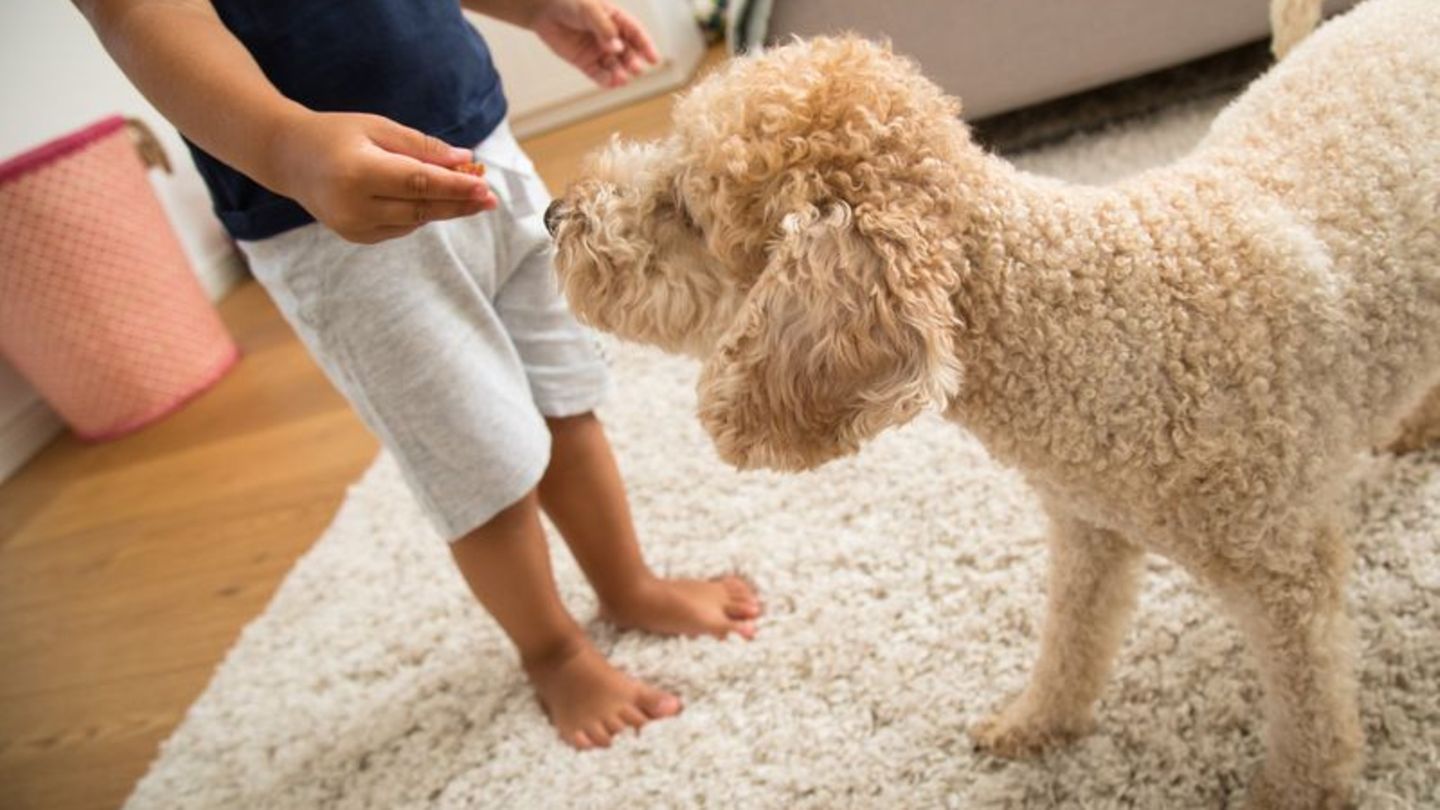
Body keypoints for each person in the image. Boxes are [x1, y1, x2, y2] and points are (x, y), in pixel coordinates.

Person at [75, 0, 762, 750]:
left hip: (478, 136)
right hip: (327, 210)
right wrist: (286, 147)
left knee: (565, 390)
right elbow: (135, 15)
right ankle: (554, 650)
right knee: (476, 459)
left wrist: (533, 9)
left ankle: (627, 584)